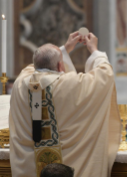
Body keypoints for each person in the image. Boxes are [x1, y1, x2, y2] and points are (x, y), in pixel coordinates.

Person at [9, 32, 121, 177]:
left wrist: (63, 50)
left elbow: (37, 66)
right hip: (67, 166)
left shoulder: (20, 84)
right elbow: (105, 75)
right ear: (61, 65)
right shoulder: (71, 84)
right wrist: (94, 50)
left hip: (29, 167)